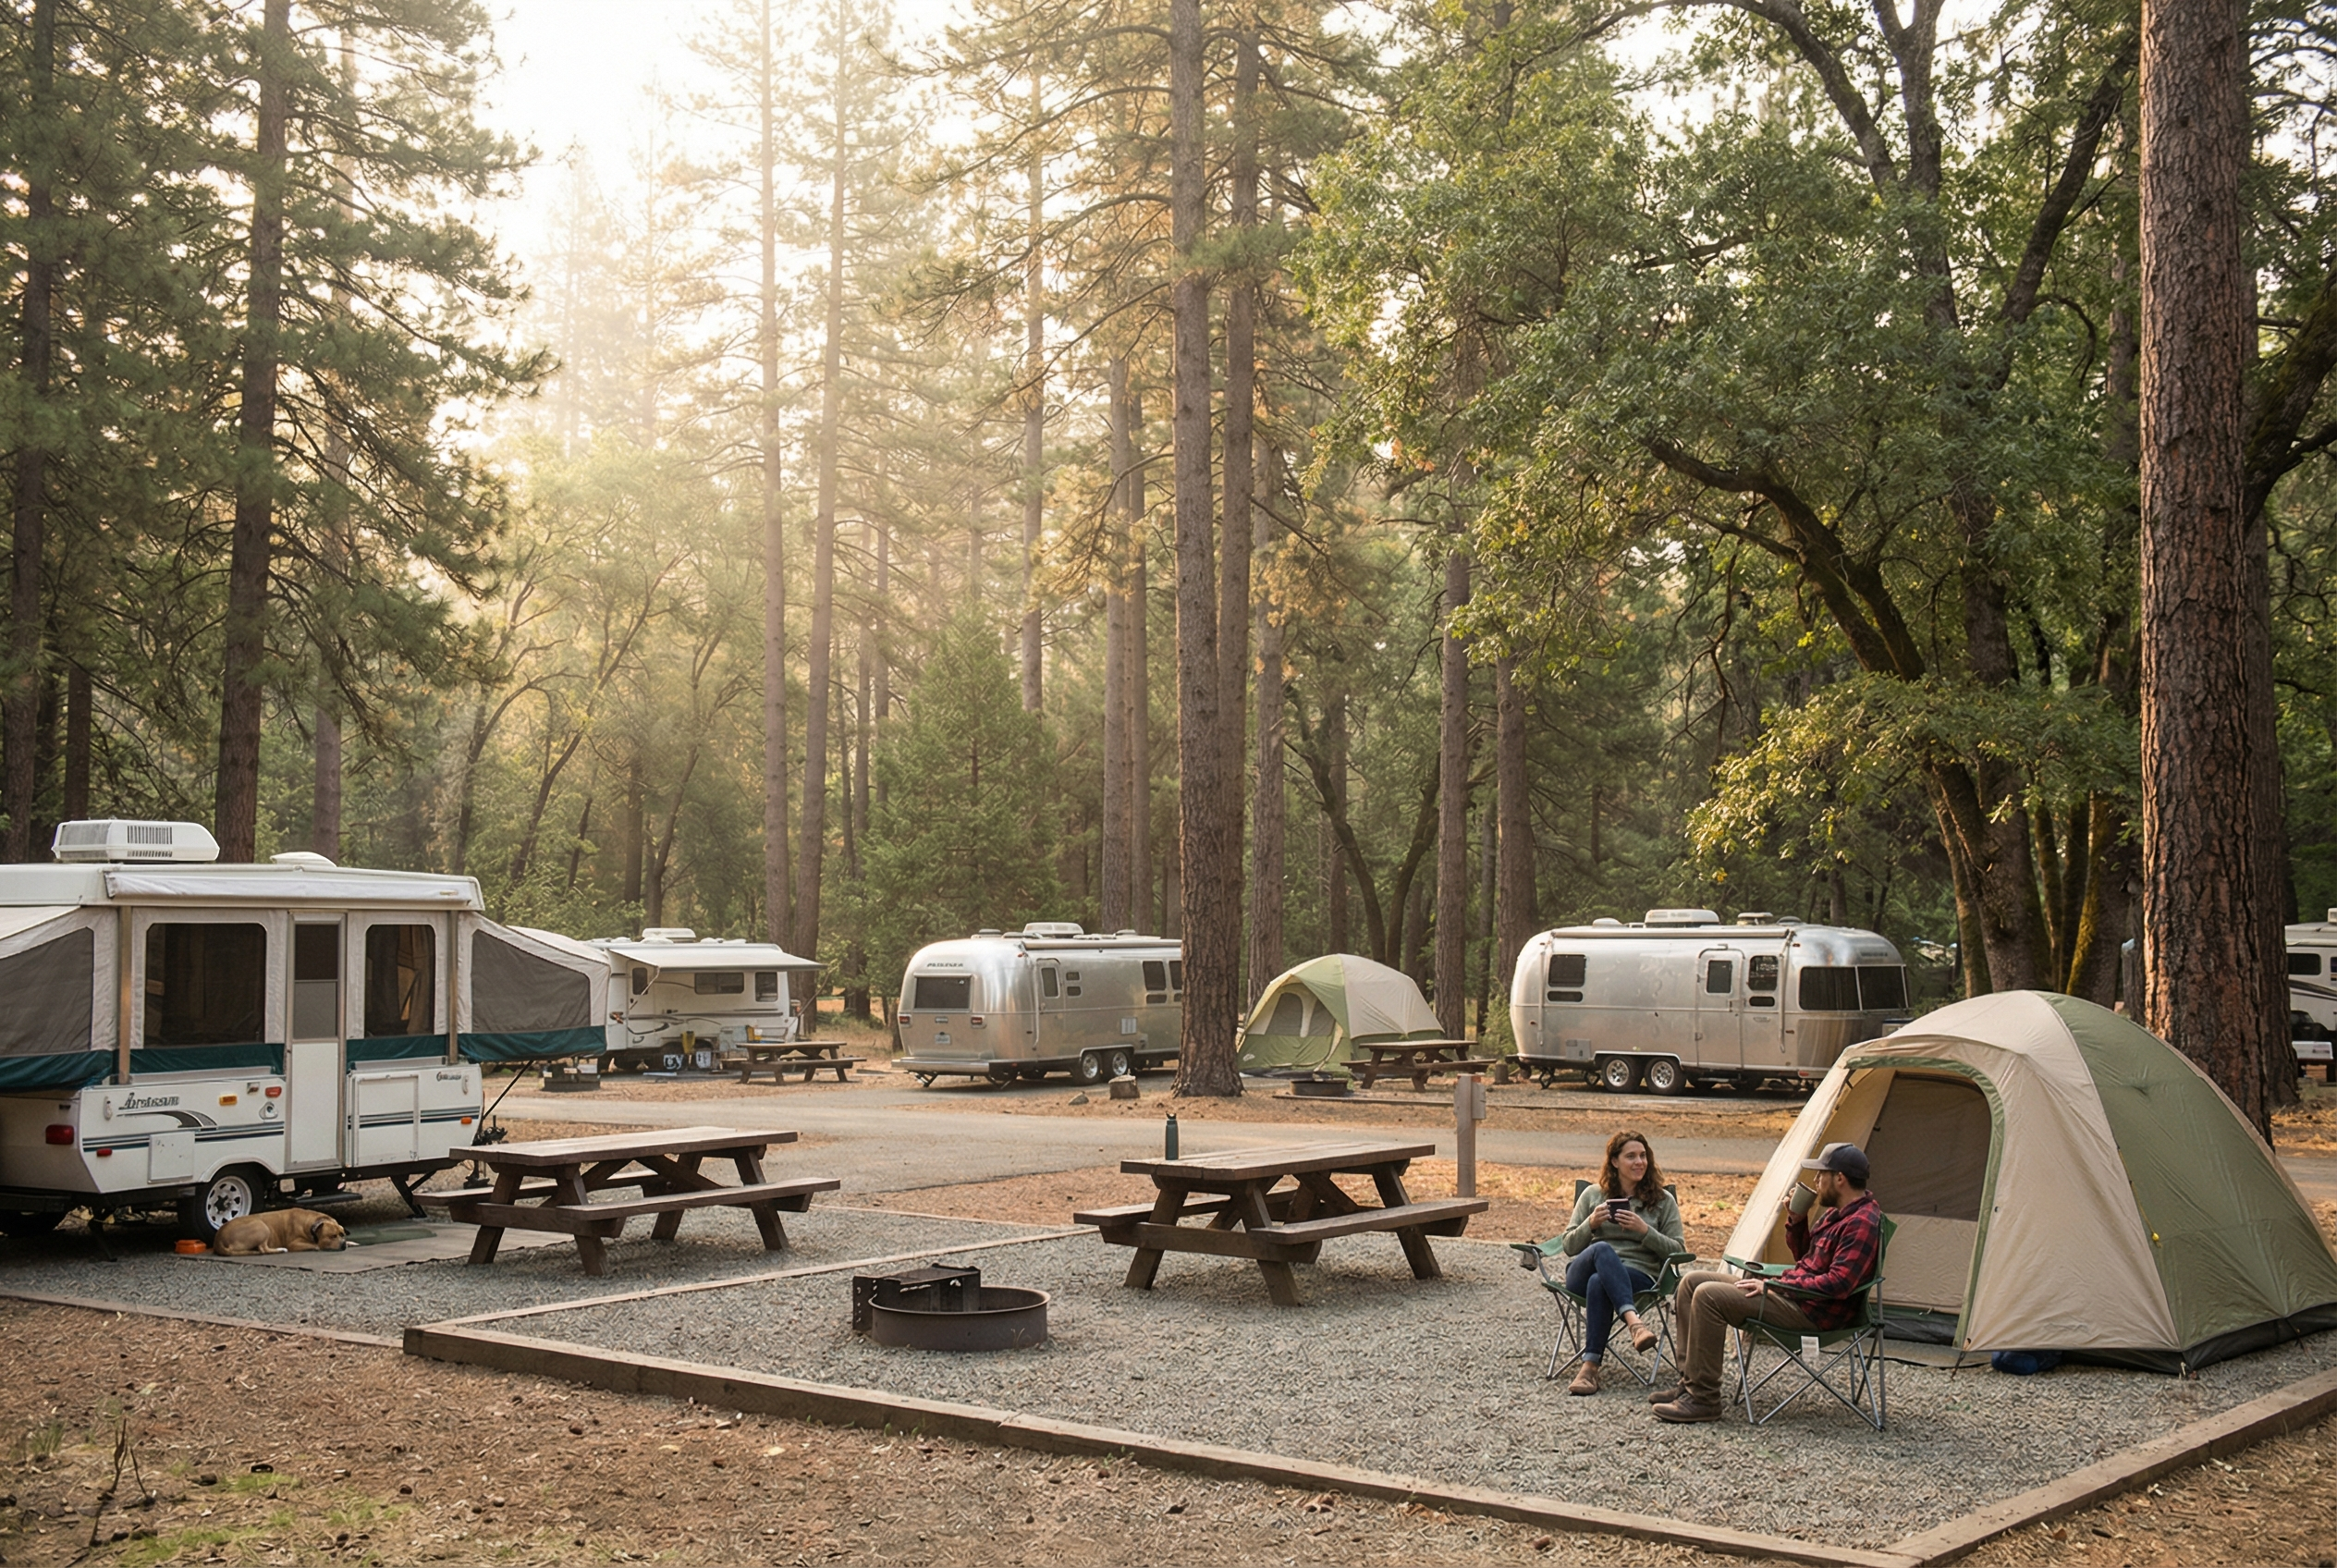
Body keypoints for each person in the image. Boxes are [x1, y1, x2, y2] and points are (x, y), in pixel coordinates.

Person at [1649, 1141, 1884, 1423]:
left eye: (1821, 1175)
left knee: (1709, 1296)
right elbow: (1807, 1260)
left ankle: (1704, 1399)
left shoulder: (1861, 1223)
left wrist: (1774, 1286)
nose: (1816, 1181)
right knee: (1691, 1282)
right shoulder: (1837, 1214)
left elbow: (1838, 1284)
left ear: (1840, 1179)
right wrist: (1797, 1221)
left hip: (1813, 1313)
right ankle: (1689, 1383)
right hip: (1793, 1295)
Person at [1554, 1131, 1685, 1394]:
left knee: (1599, 1282)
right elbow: (1568, 1246)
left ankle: (1589, 1368)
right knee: (1601, 1250)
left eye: (1643, 1156)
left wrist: (1644, 1231)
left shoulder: (1662, 1201)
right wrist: (1591, 1224)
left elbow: (1678, 1250)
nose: (1639, 1162)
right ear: (1614, 1161)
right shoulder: (1593, 1195)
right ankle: (1635, 1323)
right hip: (1583, 1271)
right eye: (1631, 1156)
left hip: (1638, 1276)